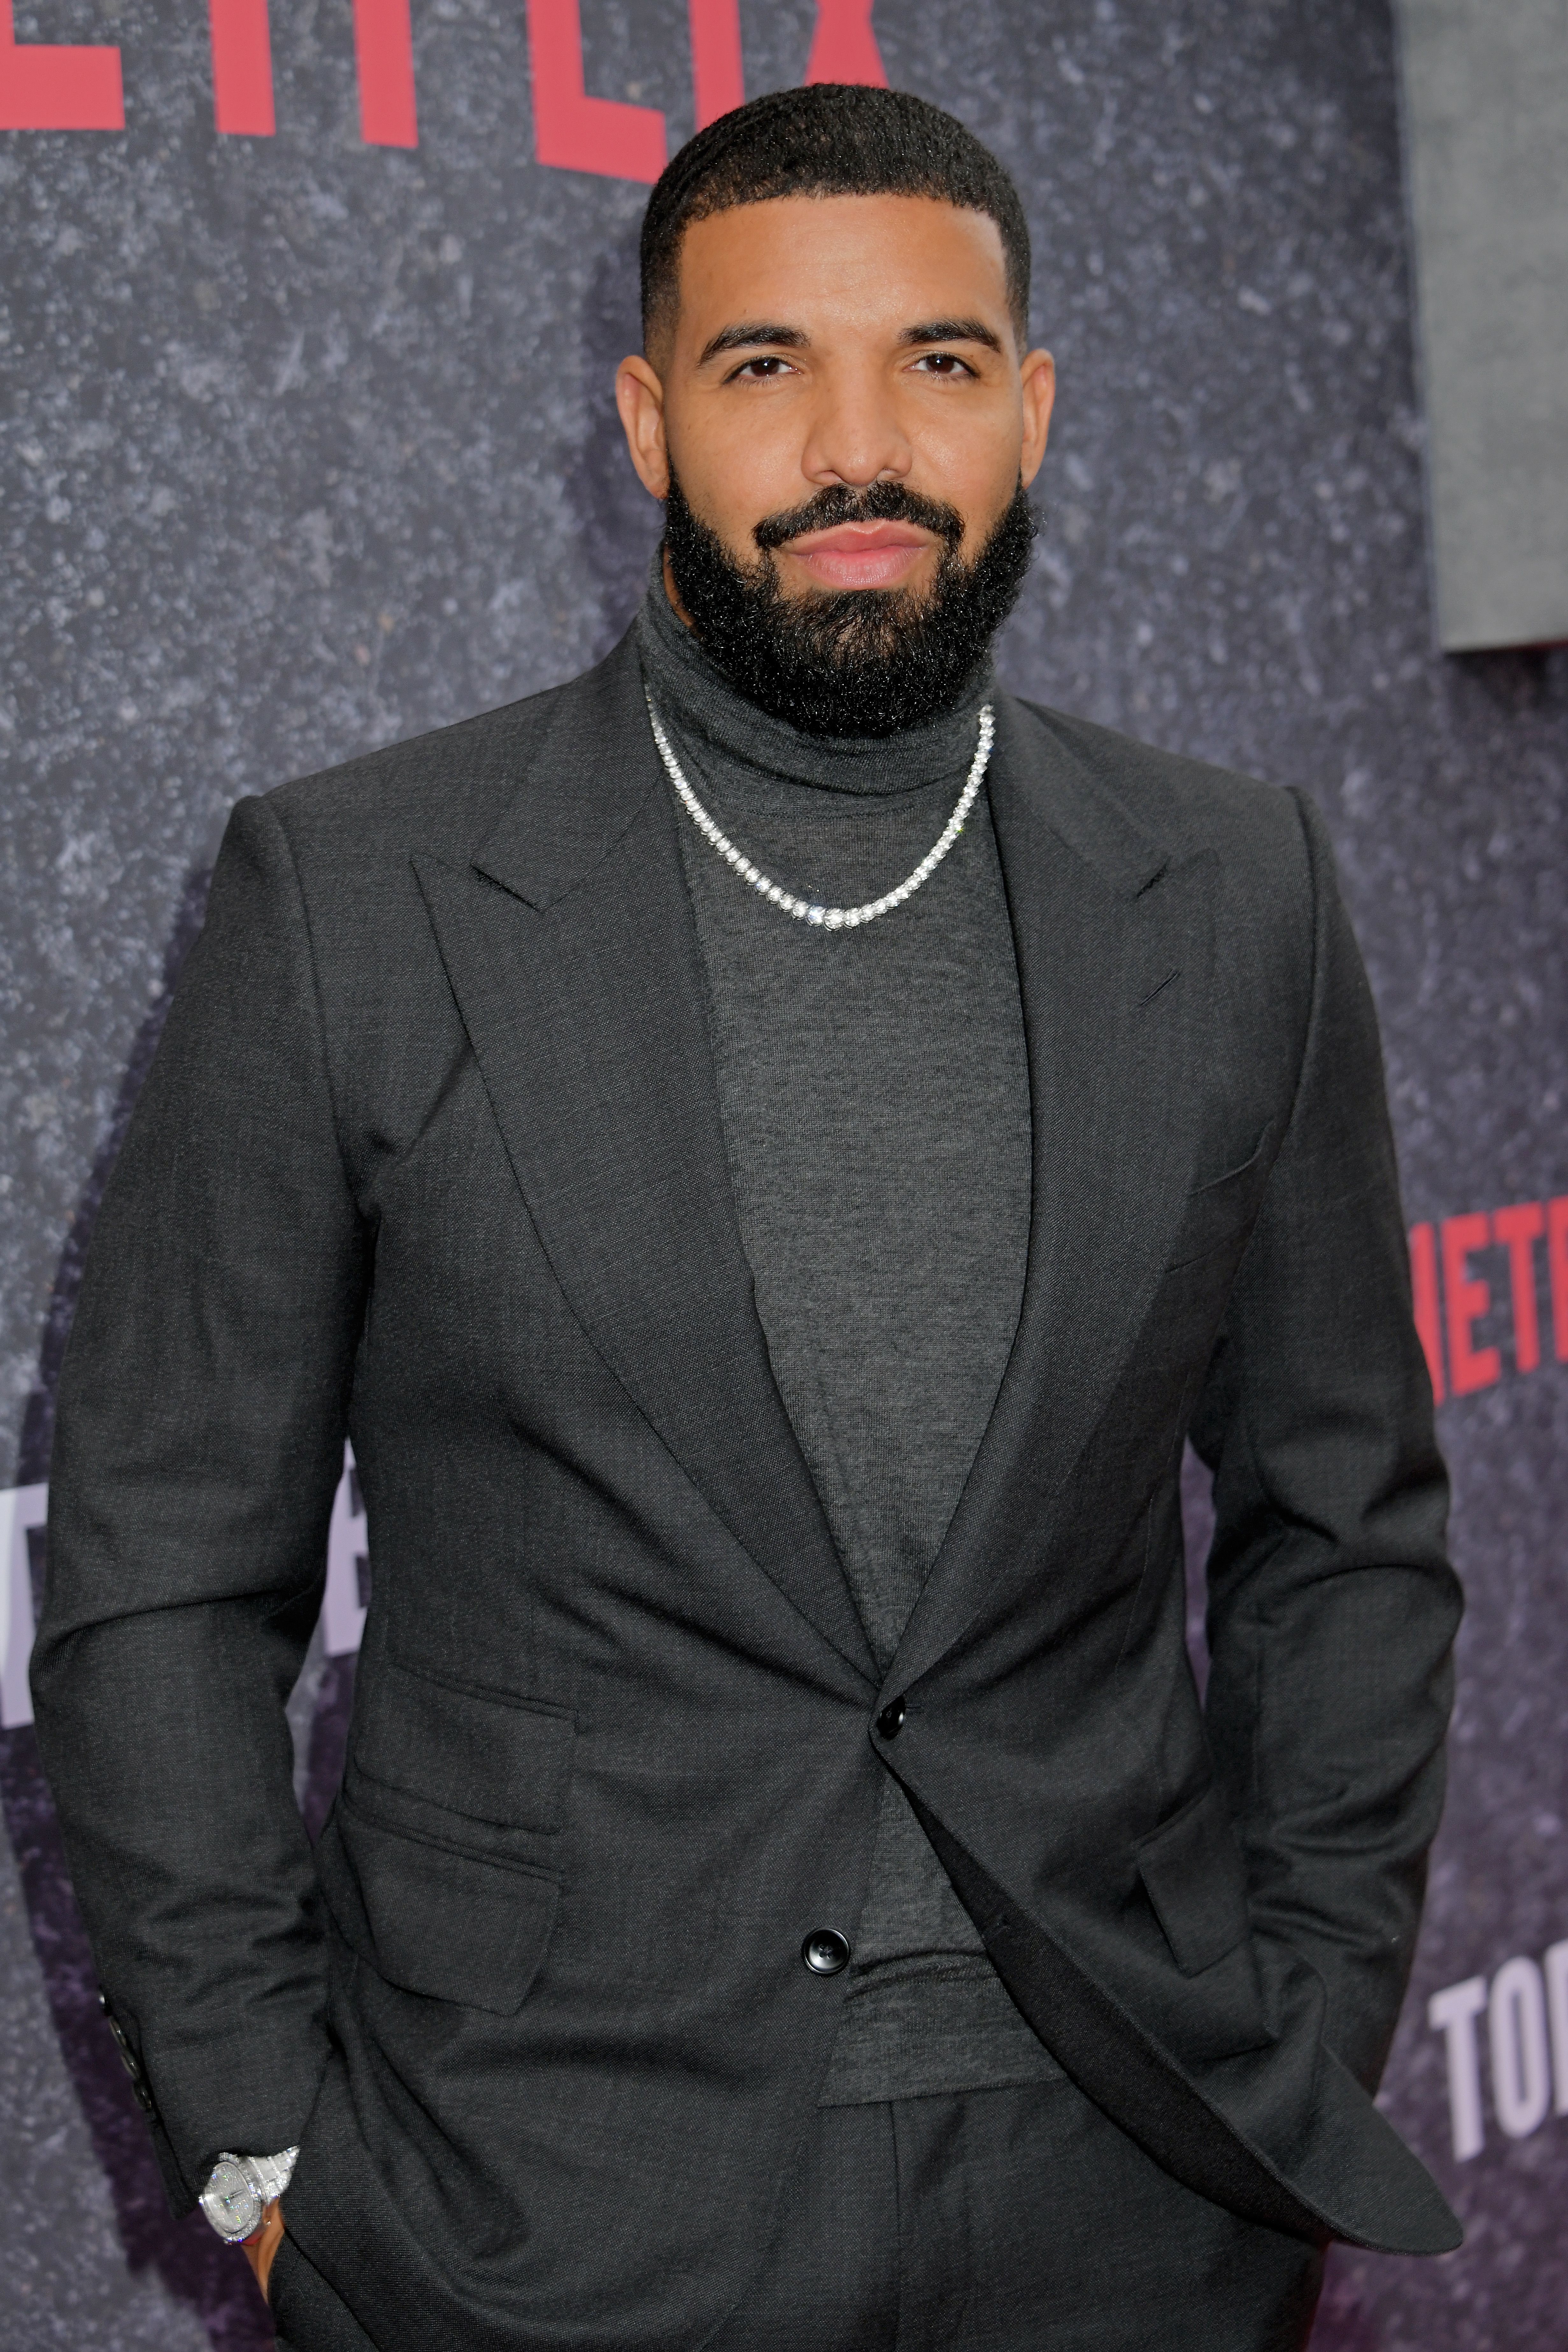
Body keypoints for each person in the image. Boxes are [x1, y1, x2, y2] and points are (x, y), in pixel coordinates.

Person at [32, 82, 1463, 2352]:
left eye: (942, 361)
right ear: (644, 418)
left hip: (1137, 2192)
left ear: (1038, 412)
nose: (860, 443)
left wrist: (1301, 2030)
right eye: (767, 364)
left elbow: (1348, 1528)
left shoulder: (1238, 888)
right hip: (549, 2207)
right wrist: (264, 2151)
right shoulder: (359, 891)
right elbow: (155, 1571)